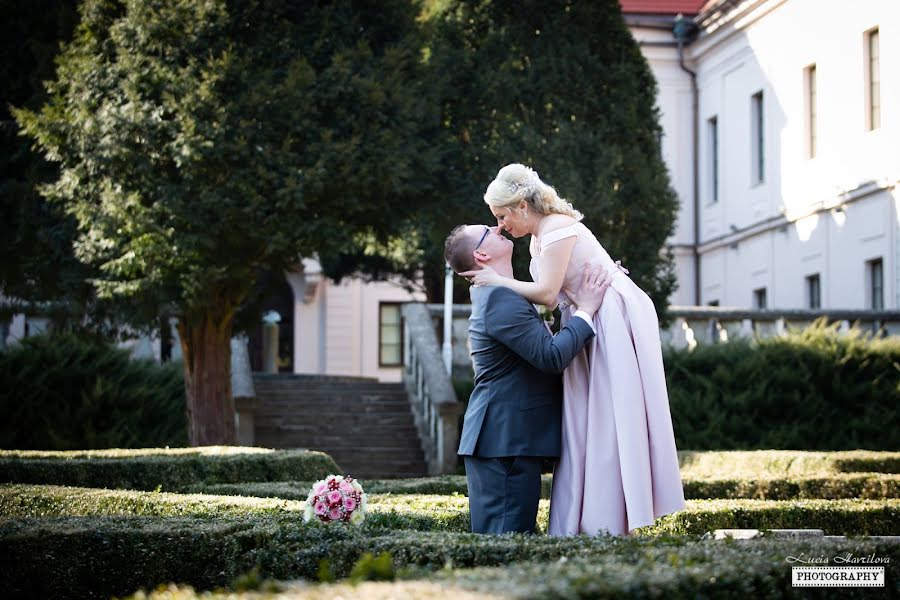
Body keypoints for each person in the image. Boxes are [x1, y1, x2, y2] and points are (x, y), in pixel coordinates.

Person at [461, 163, 685, 536]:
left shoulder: (556, 228)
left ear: (521, 206)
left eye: (501, 215)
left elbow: (548, 294)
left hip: (606, 316)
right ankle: (593, 517)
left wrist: (498, 280)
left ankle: (611, 517)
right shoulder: (538, 237)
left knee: (610, 420)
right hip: (585, 315)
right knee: (589, 422)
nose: (501, 225)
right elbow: (551, 302)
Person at [444, 223, 611, 534]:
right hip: (504, 441)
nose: (497, 227)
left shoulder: (501, 293)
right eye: (487, 230)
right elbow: (550, 357)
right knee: (506, 542)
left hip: (505, 440)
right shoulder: (499, 299)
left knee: (510, 539)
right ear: (481, 254)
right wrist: (586, 310)